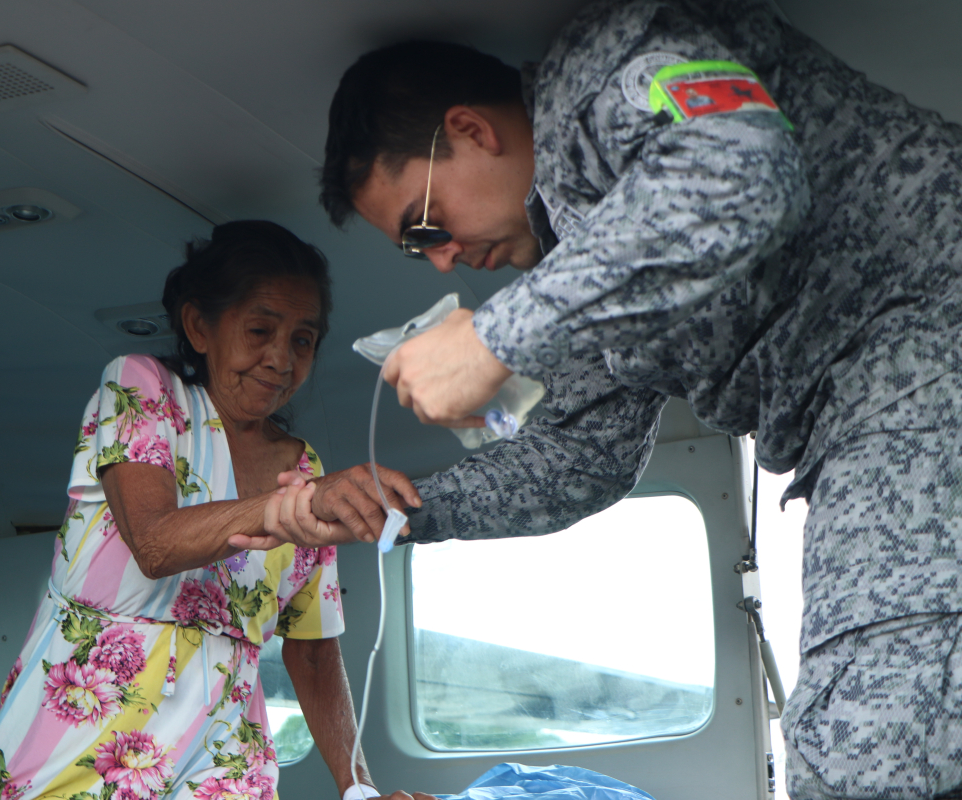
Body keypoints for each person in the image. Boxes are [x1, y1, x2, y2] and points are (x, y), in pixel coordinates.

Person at [275, 3, 962, 799]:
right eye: (416, 248)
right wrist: (396, 508)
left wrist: (495, 338)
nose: (441, 261)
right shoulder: (589, 268)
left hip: (923, 337)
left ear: (469, 130)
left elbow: (738, 167)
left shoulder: (598, 67)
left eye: (424, 227)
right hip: (873, 407)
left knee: (864, 755)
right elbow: (584, 458)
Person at [0, 221, 420, 800]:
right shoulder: (142, 389)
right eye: (260, 330)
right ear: (199, 326)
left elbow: (312, 648)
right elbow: (155, 544)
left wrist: (360, 788)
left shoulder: (303, 468)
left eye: (303, 341)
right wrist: (287, 508)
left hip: (225, 763)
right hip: (83, 749)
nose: (281, 359)